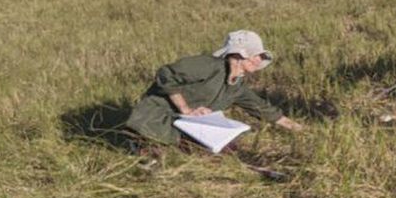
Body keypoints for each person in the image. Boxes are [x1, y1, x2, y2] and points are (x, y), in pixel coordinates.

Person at [125, 30, 302, 146]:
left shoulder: (237, 87)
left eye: (262, 56)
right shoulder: (209, 65)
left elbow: (265, 109)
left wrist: (299, 130)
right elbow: (166, 74)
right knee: (155, 158)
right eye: (256, 55)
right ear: (239, 54)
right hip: (154, 120)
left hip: (184, 129)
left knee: (224, 150)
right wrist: (185, 109)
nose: (259, 60)